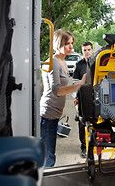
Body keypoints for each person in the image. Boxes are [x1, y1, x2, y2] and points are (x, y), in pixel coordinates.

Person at [40, 29, 86, 167]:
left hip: (54, 114)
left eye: (72, 43)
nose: (71, 46)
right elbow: (57, 91)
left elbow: (67, 85)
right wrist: (80, 84)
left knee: (49, 153)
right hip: (48, 114)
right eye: (67, 43)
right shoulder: (53, 62)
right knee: (48, 157)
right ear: (58, 44)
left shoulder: (62, 61)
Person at [73, 41, 94, 158]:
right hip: (82, 97)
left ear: (92, 50)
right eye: (84, 50)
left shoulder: (97, 64)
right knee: (82, 123)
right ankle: (84, 147)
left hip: (95, 97)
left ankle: (96, 143)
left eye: (88, 50)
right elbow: (75, 82)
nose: (87, 52)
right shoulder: (79, 64)